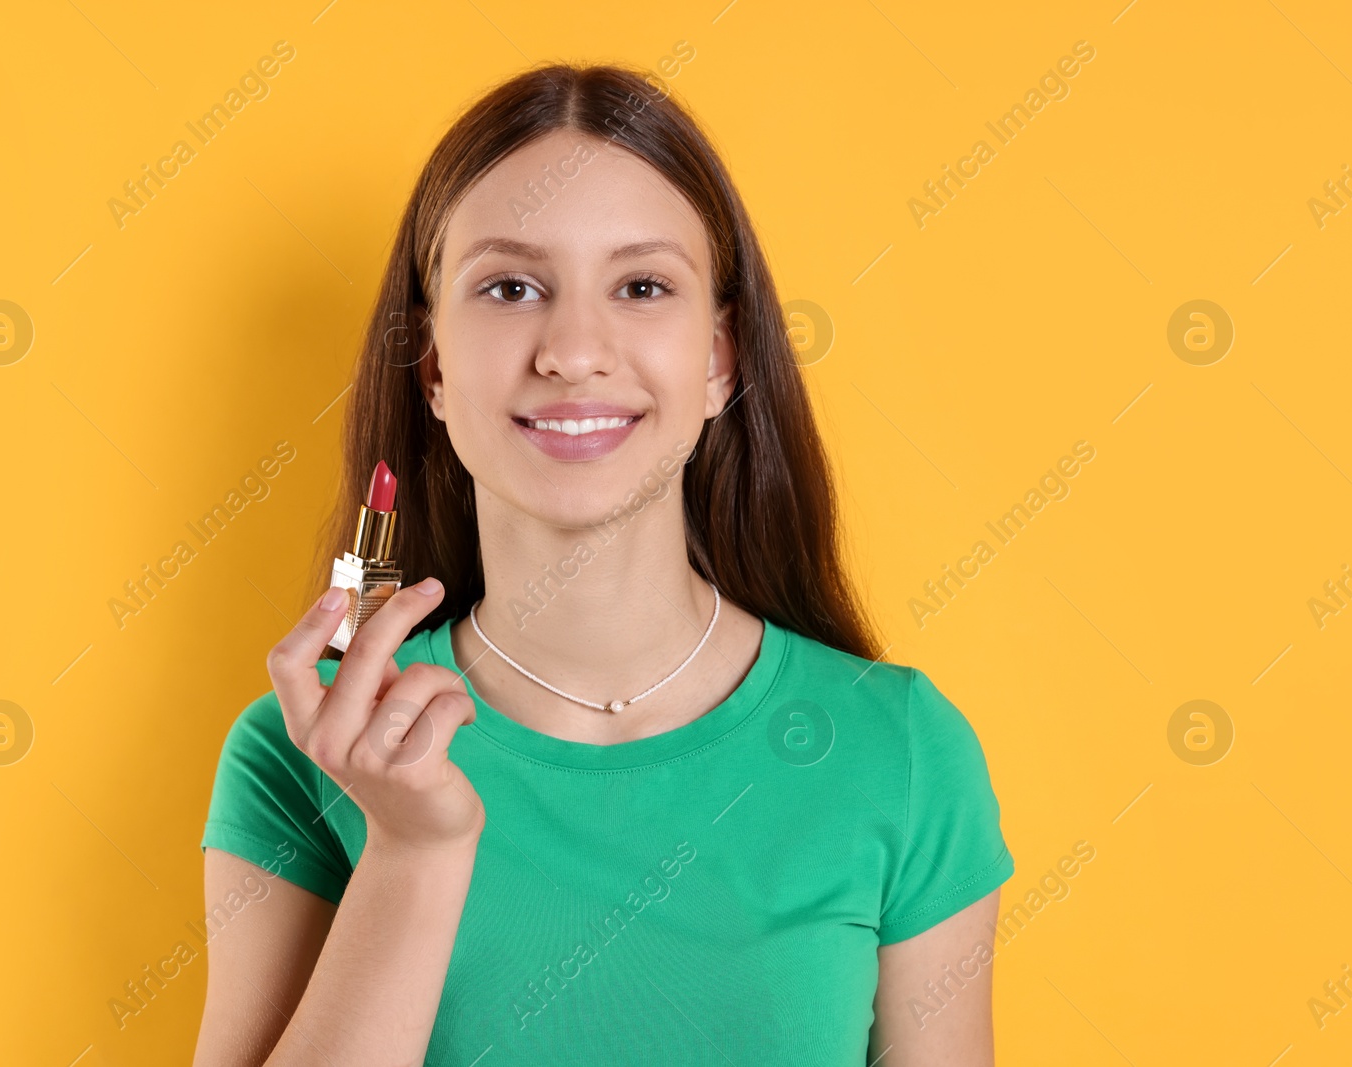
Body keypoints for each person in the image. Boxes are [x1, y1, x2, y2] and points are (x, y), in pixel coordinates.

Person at [194, 62, 1012, 1066]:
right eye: (509, 286)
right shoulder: (307, 748)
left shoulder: (901, 752)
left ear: (718, 360)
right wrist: (412, 852)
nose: (574, 350)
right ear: (436, 369)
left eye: (640, 286)